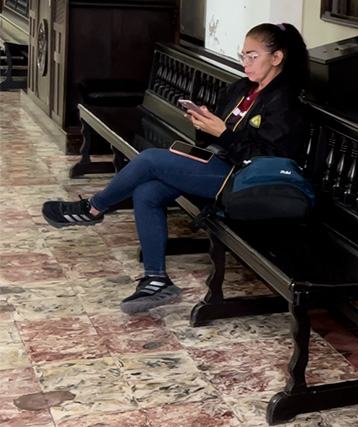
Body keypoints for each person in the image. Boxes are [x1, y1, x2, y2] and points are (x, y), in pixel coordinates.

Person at [42, 22, 310, 314]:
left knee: (150, 159)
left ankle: (93, 208)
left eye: (252, 56)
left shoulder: (286, 101)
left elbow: (272, 156)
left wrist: (224, 134)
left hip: (247, 181)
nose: (245, 63)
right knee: (148, 191)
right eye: (243, 55)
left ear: (277, 57)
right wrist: (204, 124)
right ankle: (157, 280)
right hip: (220, 163)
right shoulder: (242, 89)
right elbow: (220, 136)